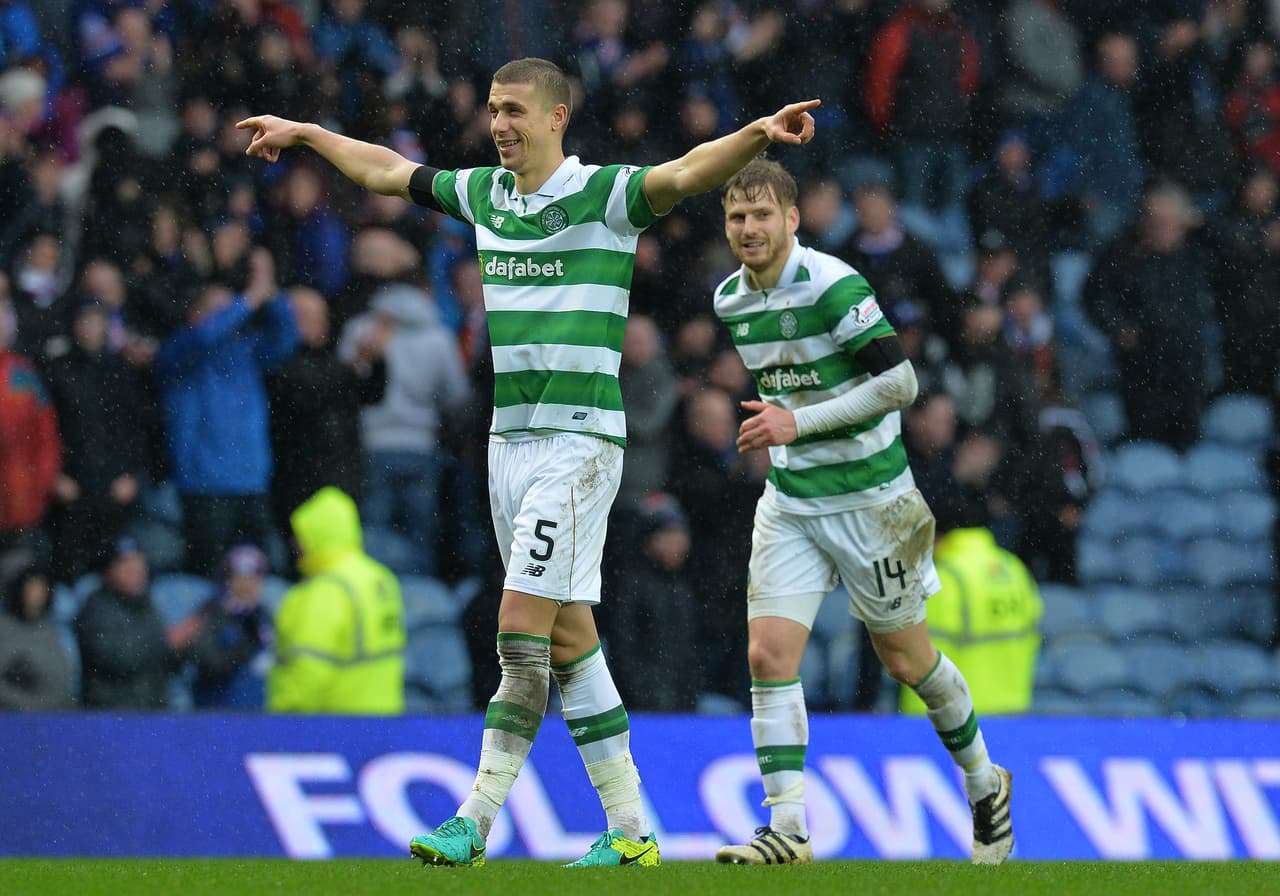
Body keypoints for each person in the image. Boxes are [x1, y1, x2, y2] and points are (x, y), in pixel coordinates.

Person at [238, 56, 818, 869]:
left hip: (579, 446)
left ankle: (473, 819)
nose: (499, 123)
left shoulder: (603, 197)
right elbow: (387, 170)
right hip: (507, 447)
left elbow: (686, 173)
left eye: (514, 110)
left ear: (555, 118)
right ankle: (633, 831)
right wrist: (305, 133)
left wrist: (755, 132)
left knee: (520, 634)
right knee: (573, 642)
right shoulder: (484, 195)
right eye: (491, 109)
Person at [710, 159, 1013, 866]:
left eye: (762, 215)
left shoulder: (833, 284)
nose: (748, 229)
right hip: (791, 500)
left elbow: (901, 382)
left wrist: (797, 424)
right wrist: (790, 432)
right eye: (736, 217)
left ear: (792, 218)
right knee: (767, 654)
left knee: (906, 658)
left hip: (876, 502)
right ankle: (788, 827)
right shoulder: (730, 299)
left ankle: (983, 782)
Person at [154, 247, 298, 575]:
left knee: (259, 581)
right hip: (204, 487)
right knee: (209, 580)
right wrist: (249, 298)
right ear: (194, 314)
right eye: (218, 310)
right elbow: (206, 335)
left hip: (251, 481)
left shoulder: (245, 352)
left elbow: (287, 339)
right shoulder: (180, 351)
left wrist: (270, 293)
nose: (231, 318)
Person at [900, 495, 1043, 716]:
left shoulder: (944, 579)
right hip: (1014, 714)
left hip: (960, 721)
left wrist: (917, 723)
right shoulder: (1014, 569)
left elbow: (926, 667)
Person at [267, 487, 404, 714]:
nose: (295, 542)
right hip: (383, 723)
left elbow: (308, 672)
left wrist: (281, 722)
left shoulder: (324, 591)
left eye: (300, 534)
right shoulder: (381, 578)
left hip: (332, 726)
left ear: (316, 534)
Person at [73, 538, 200, 710]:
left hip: (152, 709)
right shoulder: (96, 609)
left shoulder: (147, 605)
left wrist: (183, 648)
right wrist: (167, 642)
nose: (136, 571)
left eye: (139, 565)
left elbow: (164, 663)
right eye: (126, 565)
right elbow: (117, 659)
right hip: (111, 712)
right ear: (108, 571)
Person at [190, 544, 274, 709]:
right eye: (239, 577)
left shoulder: (265, 615)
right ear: (228, 580)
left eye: (253, 577)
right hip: (220, 712)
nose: (246, 585)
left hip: (260, 712)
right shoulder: (212, 612)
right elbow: (208, 663)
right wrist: (247, 641)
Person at [0, 566, 74, 710]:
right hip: (13, 717)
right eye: (31, 587)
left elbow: (62, 677)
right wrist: (25, 704)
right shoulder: (4, 629)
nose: (37, 594)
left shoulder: (51, 630)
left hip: (56, 714)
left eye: (41, 588)